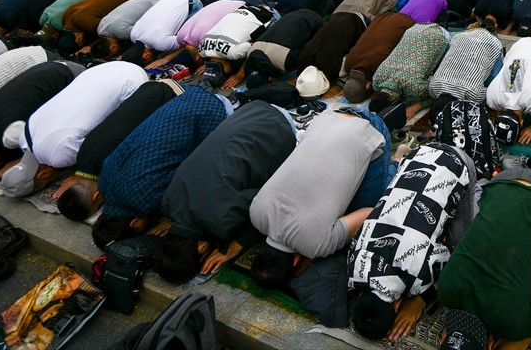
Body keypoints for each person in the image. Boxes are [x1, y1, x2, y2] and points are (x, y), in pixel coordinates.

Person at [155, 100, 301, 282]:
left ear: (201, 248)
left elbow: (268, 203)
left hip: (279, 128)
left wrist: (236, 246)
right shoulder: (169, 203)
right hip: (249, 111)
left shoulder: (220, 221)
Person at [249, 106, 394, 288]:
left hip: (370, 128)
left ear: (296, 262)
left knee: (369, 209)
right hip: (328, 117)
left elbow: (368, 212)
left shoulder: (316, 247)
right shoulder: (255, 215)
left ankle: (397, 163)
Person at [348, 143, 477, 342]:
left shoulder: (418, 275)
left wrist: (420, 299)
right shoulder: (354, 261)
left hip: (459, 163)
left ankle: (483, 188)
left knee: (463, 243)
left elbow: (453, 261)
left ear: (398, 305)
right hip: (417, 154)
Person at [436, 169, 531, 350]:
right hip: (500, 181)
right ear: (442, 339)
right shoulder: (445, 290)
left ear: (490, 346)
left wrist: (524, 338)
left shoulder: (513, 323)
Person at [80, 86, 231, 247]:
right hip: (186, 98)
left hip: (212, 112)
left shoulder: (144, 202)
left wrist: (175, 219)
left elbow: (194, 176)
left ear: (134, 223)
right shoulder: (104, 183)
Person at [0, 61, 151, 198]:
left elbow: (101, 148)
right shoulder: (24, 137)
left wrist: (84, 175)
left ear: (43, 174)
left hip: (131, 82)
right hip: (101, 70)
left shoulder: (58, 156)